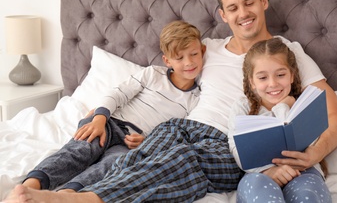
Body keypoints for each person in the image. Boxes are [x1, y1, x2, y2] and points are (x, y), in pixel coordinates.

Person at [6, 0, 337, 203]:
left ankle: (89, 200)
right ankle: (68, 191)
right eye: (232, 8)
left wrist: (312, 156)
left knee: (183, 158)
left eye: (248, 3)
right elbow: (161, 79)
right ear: (222, 14)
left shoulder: (287, 53)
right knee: (136, 155)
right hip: (183, 127)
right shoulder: (206, 50)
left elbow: (336, 117)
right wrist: (110, 115)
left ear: (263, 1)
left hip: (229, 146)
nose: (243, 13)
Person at [16, 20, 205, 193]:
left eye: (194, 54)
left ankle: (68, 194)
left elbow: (176, 133)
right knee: (82, 149)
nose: (188, 62)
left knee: (114, 165)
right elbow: (117, 94)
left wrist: (147, 141)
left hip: (132, 143)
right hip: (110, 122)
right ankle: (29, 187)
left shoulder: (195, 100)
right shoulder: (152, 74)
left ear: (202, 51)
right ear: (167, 60)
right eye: (179, 58)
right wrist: (99, 119)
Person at [228, 38, 331, 203]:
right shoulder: (242, 107)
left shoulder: (303, 104)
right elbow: (237, 150)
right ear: (252, 82)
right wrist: (269, 171)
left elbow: (311, 143)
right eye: (262, 78)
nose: (273, 84)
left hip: (303, 172)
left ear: (292, 75)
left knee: (308, 195)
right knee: (257, 190)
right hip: (258, 175)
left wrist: (282, 106)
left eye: (281, 75)